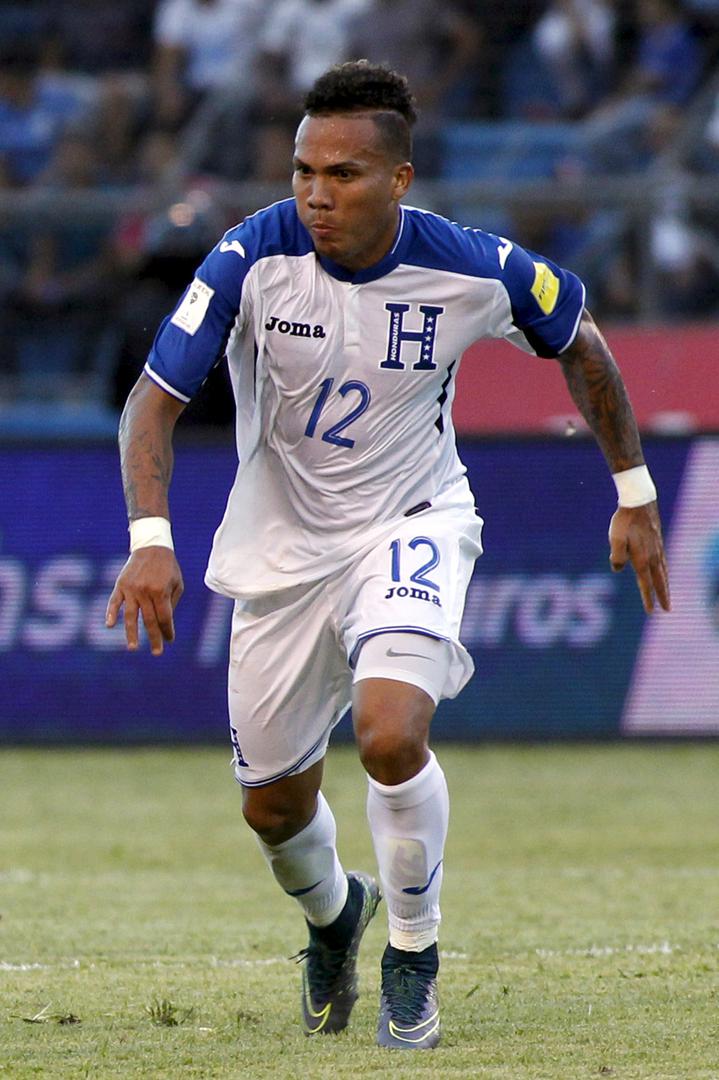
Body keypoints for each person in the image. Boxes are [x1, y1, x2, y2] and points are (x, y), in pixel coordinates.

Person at [106, 61, 670, 1051]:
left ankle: (413, 954)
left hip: (411, 521)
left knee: (388, 735)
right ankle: (337, 916)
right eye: (303, 171)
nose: (316, 194)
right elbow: (151, 402)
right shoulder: (248, 256)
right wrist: (150, 539)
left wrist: (633, 491)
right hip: (282, 550)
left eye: (343, 174)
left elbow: (579, 340)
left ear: (398, 179)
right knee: (272, 812)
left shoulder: (472, 266)